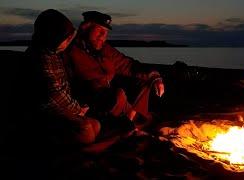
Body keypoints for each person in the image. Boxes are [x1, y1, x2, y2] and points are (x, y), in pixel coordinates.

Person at [65, 11, 165, 130]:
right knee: (118, 95)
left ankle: (133, 120)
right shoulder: (69, 50)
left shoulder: (105, 49)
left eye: (106, 33)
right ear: (86, 28)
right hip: (89, 102)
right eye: (100, 31)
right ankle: (134, 121)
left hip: (111, 100)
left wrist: (155, 77)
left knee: (143, 82)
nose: (103, 36)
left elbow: (127, 65)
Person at [24, 9, 102, 145]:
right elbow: (53, 93)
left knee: (95, 124)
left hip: (62, 109)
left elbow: (63, 87)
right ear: (53, 36)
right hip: (46, 113)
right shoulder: (39, 57)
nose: (68, 42)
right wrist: (77, 110)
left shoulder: (55, 54)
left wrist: (77, 107)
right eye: (65, 39)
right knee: (86, 130)